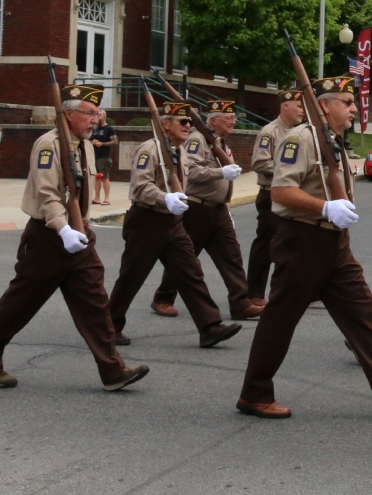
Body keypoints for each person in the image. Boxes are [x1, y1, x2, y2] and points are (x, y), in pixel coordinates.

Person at [236, 75, 372, 419]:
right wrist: (324, 207)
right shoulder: (301, 139)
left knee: (362, 312)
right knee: (280, 319)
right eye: (347, 102)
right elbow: (281, 191)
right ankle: (254, 393)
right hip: (303, 239)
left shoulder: (333, 140)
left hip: (334, 242)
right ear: (324, 105)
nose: (354, 108)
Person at [0, 84, 148, 391]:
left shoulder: (86, 145)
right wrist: (62, 228)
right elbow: (48, 192)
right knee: (20, 303)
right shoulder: (48, 144)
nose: (95, 119)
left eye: (97, 114)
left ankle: (112, 370)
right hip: (49, 237)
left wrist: (77, 230)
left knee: (94, 302)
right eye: (89, 113)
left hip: (78, 236)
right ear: (68, 114)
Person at [105, 101, 242, 349]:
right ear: (165, 124)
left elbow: (191, 177)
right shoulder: (149, 150)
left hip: (173, 221)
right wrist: (164, 197)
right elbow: (140, 187)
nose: (188, 125)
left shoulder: (179, 151)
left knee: (191, 272)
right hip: (147, 219)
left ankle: (209, 326)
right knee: (131, 276)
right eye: (183, 121)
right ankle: (108, 328)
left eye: (189, 121)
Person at [148, 100, 262, 321]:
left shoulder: (221, 143)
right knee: (184, 258)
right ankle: (163, 297)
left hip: (218, 210)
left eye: (233, 117)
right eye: (227, 118)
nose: (233, 121)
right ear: (213, 121)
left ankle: (240, 303)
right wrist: (220, 173)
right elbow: (190, 172)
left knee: (232, 256)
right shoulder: (197, 140)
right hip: (197, 208)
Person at [246, 89, 306, 305]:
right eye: (299, 106)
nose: (302, 111)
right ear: (285, 105)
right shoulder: (269, 132)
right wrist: (288, 170)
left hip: (291, 194)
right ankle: (254, 293)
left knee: (294, 243)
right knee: (266, 245)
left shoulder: (297, 132)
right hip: (271, 194)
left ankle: (295, 290)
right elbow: (260, 163)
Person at [90, 116, 118, 206]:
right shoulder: (94, 129)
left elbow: (115, 141)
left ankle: (106, 198)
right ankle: (97, 198)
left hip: (104, 156)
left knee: (104, 177)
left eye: (100, 114)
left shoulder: (109, 129)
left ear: (105, 116)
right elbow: (87, 140)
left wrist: (102, 144)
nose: (98, 116)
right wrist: (92, 142)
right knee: (97, 177)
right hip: (94, 156)